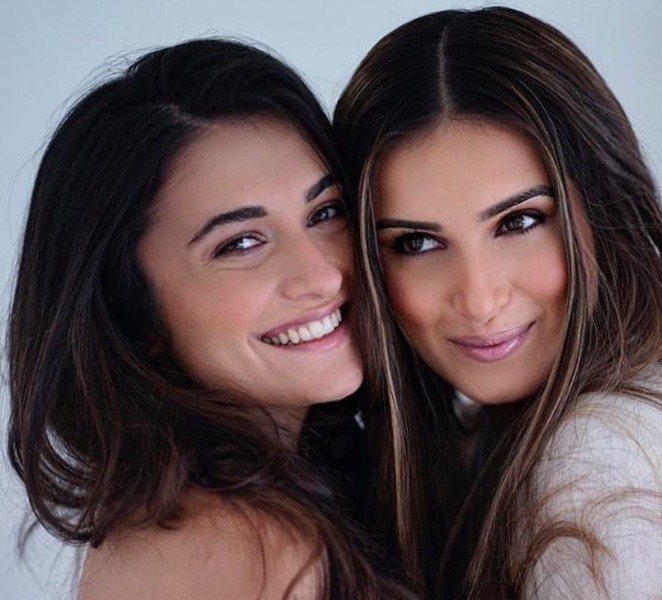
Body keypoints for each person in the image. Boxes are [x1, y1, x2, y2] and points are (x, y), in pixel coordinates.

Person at [334, 7, 662, 599]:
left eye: (519, 221)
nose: (479, 299)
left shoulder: (606, 463)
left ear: (602, 211)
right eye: (417, 243)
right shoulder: (498, 435)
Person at [7, 38, 412, 600]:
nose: (322, 275)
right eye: (241, 243)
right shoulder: (251, 551)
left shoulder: (196, 521)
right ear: (134, 312)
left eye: (326, 212)